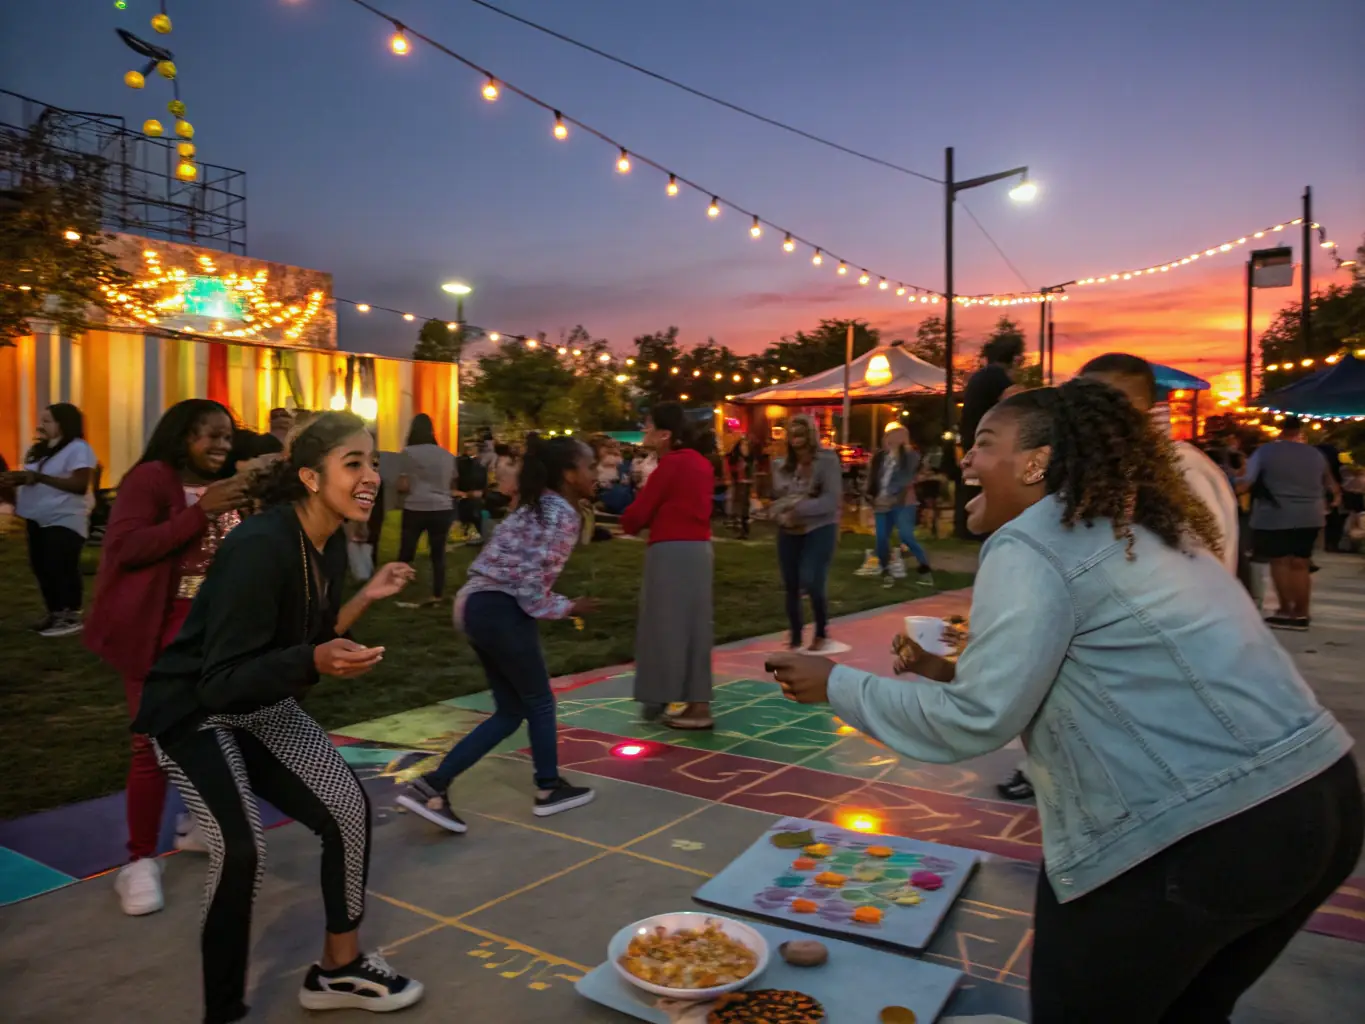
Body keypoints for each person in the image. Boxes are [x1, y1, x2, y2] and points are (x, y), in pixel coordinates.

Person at [767, 379, 1360, 1024]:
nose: (965, 460)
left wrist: (834, 684)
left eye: (983, 444)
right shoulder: (1131, 523)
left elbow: (975, 722)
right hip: (1317, 800)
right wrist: (947, 669)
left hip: (1199, 831)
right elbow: (1093, 671)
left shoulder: (1034, 541)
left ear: (1036, 462)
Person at [132, 412, 423, 1022]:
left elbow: (310, 636)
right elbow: (219, 680)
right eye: (355, 463)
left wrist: (363, 601)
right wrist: (313, 660)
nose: (372, 475)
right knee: (242, 850)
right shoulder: (259, 546)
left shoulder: (329, 539)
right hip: (196, 710)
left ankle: (338, 969)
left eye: (374, 463)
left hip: (258, 697)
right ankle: (224, 1011)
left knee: (347, 809)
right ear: (312, 477)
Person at [84, 399, 248, 915]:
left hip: (215, 632)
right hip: (159, 631)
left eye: (227, 435)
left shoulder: (228, 488)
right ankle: (138, 860)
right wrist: (204, 511)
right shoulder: (152, 479)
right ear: (181, 437)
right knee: (151, 744)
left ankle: (198, 824)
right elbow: (127, 547)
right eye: (210, 435)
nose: (221, 444)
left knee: (220, 729)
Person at [397, 435, 600, 830]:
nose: (596, 474)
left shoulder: (537, 506)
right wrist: (568, 607)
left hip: (477, 604)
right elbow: (529, 589)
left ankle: (433, 784)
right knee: (539, 702)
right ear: (569, 473)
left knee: (511, 711)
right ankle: (548, 787)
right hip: (500, 608)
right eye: (590, 467)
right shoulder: (559, 515)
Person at [622, 403, 715, 728]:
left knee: (662, 626)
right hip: (698, 549)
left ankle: (660, 695)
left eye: (648, 426)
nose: (644, 432)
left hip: (670, 551)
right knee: (694, 627)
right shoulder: (700, 463)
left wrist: (623, 517)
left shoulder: (671, 466)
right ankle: (696, 702)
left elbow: (637, 515)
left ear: (665, 434)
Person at [1238, 415, 1341, 629]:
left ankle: (1286, 611)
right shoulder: (1315, 453)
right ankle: (1302, 613)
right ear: (1300, 430)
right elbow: (1333, 487)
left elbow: (1246, 483)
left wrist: (1229, 483)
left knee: (1280, 561)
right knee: (1301, 563)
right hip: (1310, 516)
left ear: (1280, 430)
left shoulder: (1265, 452)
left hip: (1276, 515)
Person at [9, 403, 96, 637]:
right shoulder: (40, 450)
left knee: (61, 566)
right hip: (37, 517)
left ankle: (72, 616)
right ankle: (55, 612)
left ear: (63, 423)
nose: (41, 425)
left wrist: (38, 477)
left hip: (64, 517)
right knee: (42, 567)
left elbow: (79, 485)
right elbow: (34, 478)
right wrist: (16, 480)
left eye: (48, 421)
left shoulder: (79, 448)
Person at [771, 414, 843, 652]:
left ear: (811, 433)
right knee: (791, 583)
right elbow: (778, 499)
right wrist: (780, 513)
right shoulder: (782, 466)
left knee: (811, 579)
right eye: (791, 432)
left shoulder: (827, 460)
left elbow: (831, 501)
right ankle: (795, 636)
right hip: (789, 529)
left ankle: (821, 631)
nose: (796, 437)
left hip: (820, 527)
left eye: (801, 431)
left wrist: (797, 508)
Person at [954, 336, 1023, 538]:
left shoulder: (980, 376)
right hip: (987, 439)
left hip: (972, 435)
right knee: (990, 481)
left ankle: (967, 528)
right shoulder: (997, 376)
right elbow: (1016, 403)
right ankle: (983, 527)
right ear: (1015, 358)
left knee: (973, 481)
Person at [395, 414, 456, 604]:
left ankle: (397, 587)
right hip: (442, 507)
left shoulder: (408, 452)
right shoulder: (446, 455)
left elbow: (403, 485)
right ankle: (437, 593)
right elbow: (453, 481)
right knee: (438, 554)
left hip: (416, 506)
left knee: (406, 551)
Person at [864, 422, 934, 588]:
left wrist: (891, 496)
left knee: (906, 536)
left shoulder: (909, 456)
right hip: (881, 503)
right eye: (888, 437)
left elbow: (906, 478)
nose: (889, 440)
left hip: (903, 503)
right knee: (881, 538)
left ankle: (925, 570)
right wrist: (871, 495)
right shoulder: (880, 457)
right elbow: (873, 478)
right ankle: (885, 571)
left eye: (894, 437)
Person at [454, 439, 489, 544]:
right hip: (463, 494)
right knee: (465, 514)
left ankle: (477, 534)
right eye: (466, 448)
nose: (468, 450)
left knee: (475, 514)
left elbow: (483, 481)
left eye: (471, 448)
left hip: (475, 495)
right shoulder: (460, 462)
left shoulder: (480, 464)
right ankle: (466, 532)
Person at [726, 436, 757, 539]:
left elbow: (753, 474)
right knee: (739, 507)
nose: (745, 447)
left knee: (745, 508)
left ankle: (744, 529)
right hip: (739, 485)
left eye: (746, 445)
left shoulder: (750, 460)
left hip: (746, 485)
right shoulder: (736, 459)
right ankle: (740, 529)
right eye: (743, 445)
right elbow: (731, 470)